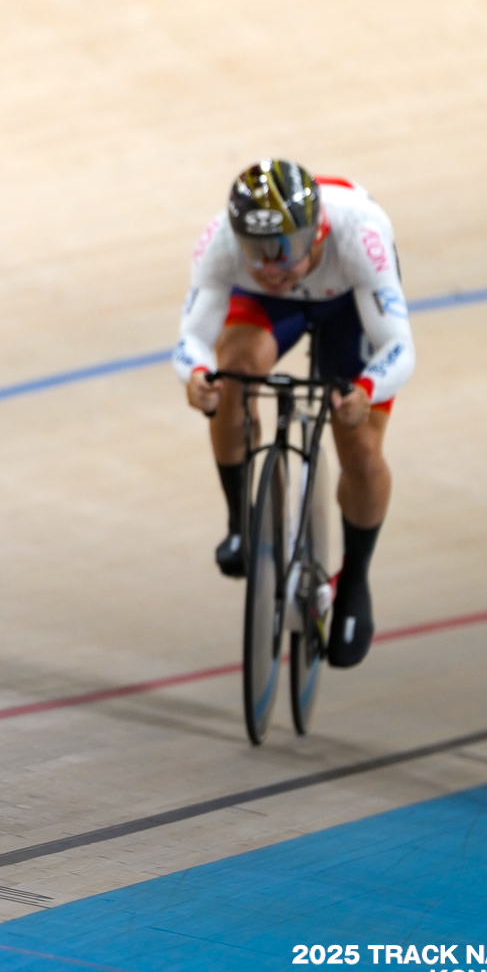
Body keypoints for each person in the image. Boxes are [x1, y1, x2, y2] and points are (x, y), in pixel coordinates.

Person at [174, 159, 413, 667]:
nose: (269, 266)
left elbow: (399, 344)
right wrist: (197, 377)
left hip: (348, 303)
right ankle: (242, 521)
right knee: (232, 376)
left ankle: (353, 579)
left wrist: (365, 390)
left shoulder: (360, 234)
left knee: (361, 446)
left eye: (282, 249)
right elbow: (193, 338)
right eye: (255, 251)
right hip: (269, 309)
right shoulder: (221, 240)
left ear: (318, 233)